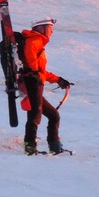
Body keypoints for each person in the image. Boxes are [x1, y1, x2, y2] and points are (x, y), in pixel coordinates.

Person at [20, 17, 73, 155]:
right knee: (35, 115)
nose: (52, 32)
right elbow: (31, 63)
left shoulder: (38, 43)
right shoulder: (34, 41)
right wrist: (33, 73)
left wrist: (58, 79)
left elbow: (41, 71)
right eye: (50, 29)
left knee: (54, 115)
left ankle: (54, 147)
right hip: (32, 83)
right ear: (41, 28)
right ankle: (30, 147)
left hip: (36, 82)